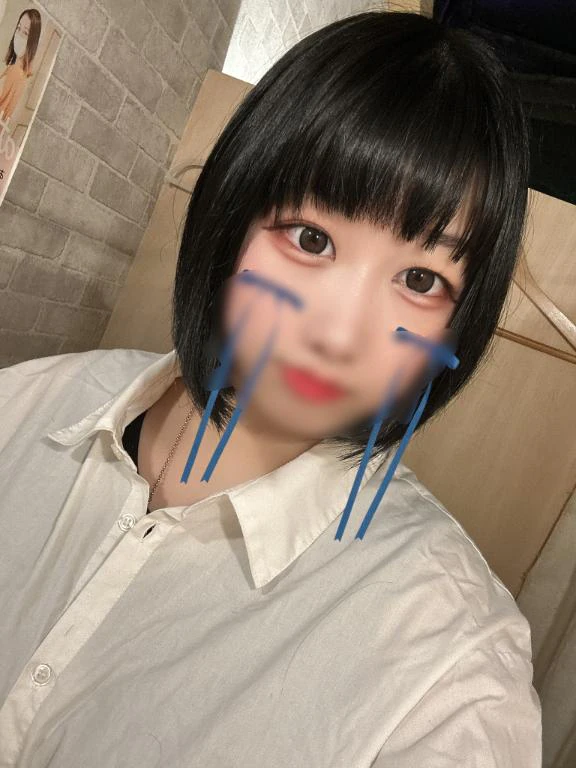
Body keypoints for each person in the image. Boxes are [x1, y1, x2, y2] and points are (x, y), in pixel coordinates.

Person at [0, 10, 542, 767]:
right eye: (312, 239)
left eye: (420, 281)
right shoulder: (23, 405)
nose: (340, 333)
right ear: (231, 216)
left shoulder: (447, 670)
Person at [0, 8, 41, 123]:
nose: (19, 35)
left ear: (32, 41)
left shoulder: (16, 72)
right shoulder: (19, 71)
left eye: (25, 33)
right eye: (18, 28)